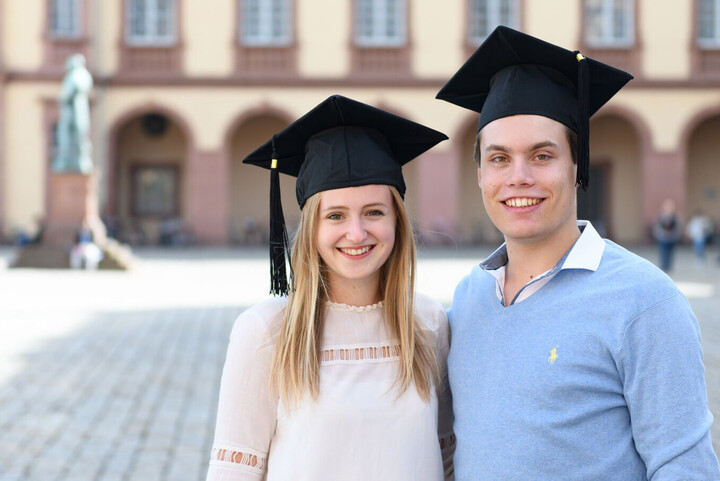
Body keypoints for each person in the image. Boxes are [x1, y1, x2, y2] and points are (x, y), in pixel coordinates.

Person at [436, 26, 720, 480]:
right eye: (499, 158)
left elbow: (685, 468)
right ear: (480, 174)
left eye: (542, 155)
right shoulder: (467, 300)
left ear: (577, 166)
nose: (519, 177)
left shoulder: (644, 302)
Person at [205, 95, 454, 480]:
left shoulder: (428, 323)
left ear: (397, 222)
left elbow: (445, 458)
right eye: (335, 215)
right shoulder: (267, 331)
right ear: (312, 230)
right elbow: (232, 473)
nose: (357, 233)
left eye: (374, 212)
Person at [54, 53, 93, 174]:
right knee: (65, 134)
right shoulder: (69, 77)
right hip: (68, 110)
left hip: (78, 109)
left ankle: (82, 159)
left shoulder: (82, 75)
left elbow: (80, 87)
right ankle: (65, 159)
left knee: (80, 133)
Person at [652, 198, 682, 272]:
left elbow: (678, 226)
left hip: (672, 237)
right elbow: (657, 225)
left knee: (670, 252)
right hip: (663, 237)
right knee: (663, 251)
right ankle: (663, 265)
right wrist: (659, 234)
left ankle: (669, 265)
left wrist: (675, 234)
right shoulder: (661, 215)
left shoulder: (675, 215)